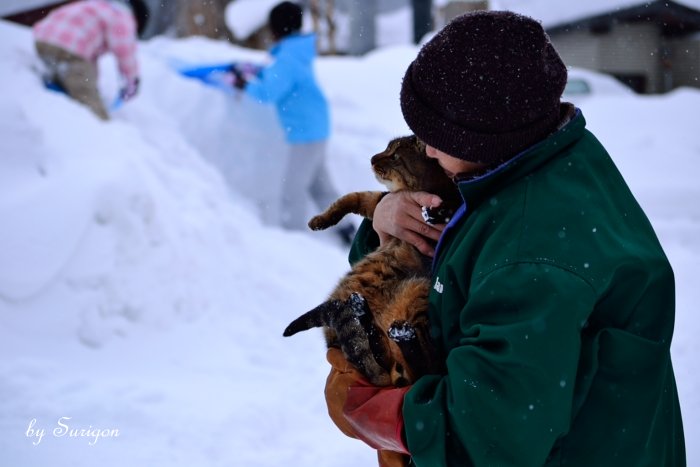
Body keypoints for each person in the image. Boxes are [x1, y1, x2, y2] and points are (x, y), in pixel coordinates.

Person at [324, 10, 686, 467]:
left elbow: (485, 440)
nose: (427, 150)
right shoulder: (541, 156)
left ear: (485, 139)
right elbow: (451, 251)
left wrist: (387, 416)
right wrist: (386, 221)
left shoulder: (531, 256)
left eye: (437, 137)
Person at [232, 1, 355, 244]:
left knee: (293, 191)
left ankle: (294, 243)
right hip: (315, 126)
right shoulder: (295, 52)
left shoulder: (287, 58)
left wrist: (244, 84)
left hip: (306, 132)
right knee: (320, 187)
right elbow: (278, 79)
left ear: (274, 30)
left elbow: (268, 92)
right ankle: (347, 230)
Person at [33, 0, 149, 120]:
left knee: (69, 80)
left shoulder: (98, 5)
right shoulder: (122, 16)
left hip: (43, 41)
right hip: (69, 50)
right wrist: (132, 80)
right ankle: (101, 132)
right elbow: (124, 50)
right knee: (92, 107)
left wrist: (92, 81)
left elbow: (88, 61)